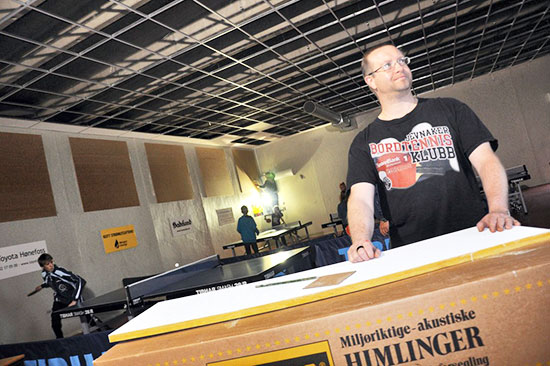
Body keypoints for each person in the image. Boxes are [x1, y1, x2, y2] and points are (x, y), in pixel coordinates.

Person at [346, 43, 519, 263]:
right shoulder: (363, 142)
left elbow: (486, 161)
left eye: (402, 61)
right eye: (387, 65)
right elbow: (360, 198)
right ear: (370, 80)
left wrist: (499, 209)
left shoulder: (451, 110)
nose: (399, 67)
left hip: (474, 235)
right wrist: (361, 239)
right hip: (413, 252)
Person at [34, 253, 87, 338]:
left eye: (51, 262)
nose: (51, 265)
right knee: (55, 321)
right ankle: (60, 341)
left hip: (72, 298)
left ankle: (103, 330)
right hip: (60, 300)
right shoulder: (44, 274)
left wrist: (75, 300)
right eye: (47, 264)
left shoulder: (60, 271)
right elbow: (50, 282)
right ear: (43, 266)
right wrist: (42, 286)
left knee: (88, 318)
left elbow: (81, 281)